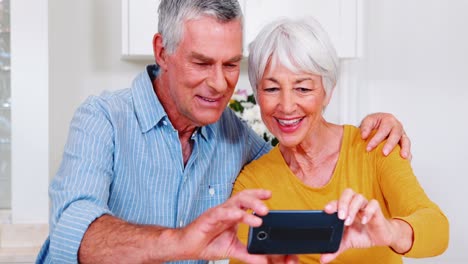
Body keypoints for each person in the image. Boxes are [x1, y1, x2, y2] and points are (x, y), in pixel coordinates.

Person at [36, 1, 411, 264]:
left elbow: (295, 163)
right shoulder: (102, 119)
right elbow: (73, 232)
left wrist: (373, 125)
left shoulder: (234, 138)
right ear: (162, 51)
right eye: (201, 62)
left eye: (231, 64)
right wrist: (182, 242)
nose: (219, 84)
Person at [231, 17, 449, 264]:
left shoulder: (374, 148)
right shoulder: (253, 183)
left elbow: (437, 229)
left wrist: (389, 231)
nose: (287, 106)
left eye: (303, 89)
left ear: (328, 91)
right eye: (271, 89)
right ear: (257, 94)